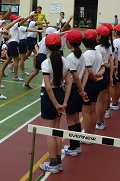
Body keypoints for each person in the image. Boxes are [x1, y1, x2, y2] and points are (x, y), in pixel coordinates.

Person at [39, 33, 72, 174]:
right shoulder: (65, 61)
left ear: (46, 47)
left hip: (49, 96)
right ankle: (58, 161)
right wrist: (64, 102)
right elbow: (69, 82)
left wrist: (56, 104)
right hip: (60, 92)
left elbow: (47, 87)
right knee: (57, 129)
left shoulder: (46, 63)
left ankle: (53, 163)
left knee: (49, 132)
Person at [61, 29, 88, 156]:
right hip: (78, 89)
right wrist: (81, 90)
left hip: (72, 89)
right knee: (76, 119)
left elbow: (75, 77)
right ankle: (76, 146)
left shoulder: (70, 57)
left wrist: (80, 90)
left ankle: (72, 147)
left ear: (69, 43)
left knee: (71, 120)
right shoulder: (81, 56)